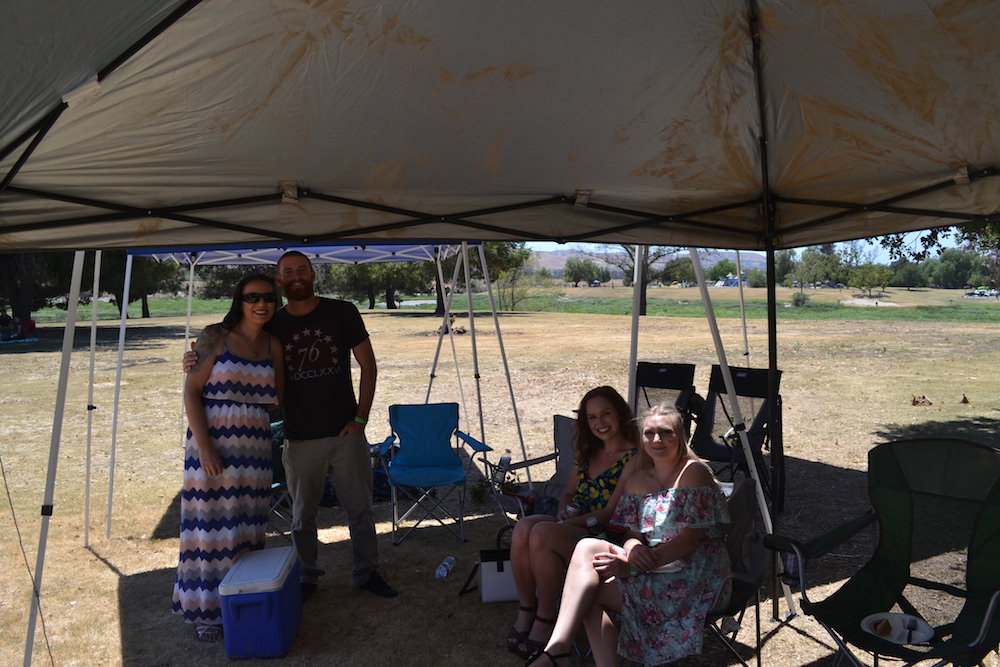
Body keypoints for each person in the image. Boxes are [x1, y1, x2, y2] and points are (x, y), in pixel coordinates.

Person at [184, 251, 397, 602]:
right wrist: (196, 356)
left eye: (302, 270)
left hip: (346, 432)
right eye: (288, 273)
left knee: (360, 509)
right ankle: (308, 578)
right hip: (298, 436)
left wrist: (361, 419)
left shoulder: (342, 312)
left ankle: (367, 572)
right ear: (280, 280)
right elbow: (237, 346)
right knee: (302, 516)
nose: (296, 276)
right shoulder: (272, 324)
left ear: (313, 274)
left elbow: (368, 367)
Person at [527, 404, 732, 667]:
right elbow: (632, 534)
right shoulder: (638, 481)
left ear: (679, 436)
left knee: (588, 592)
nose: (657, 440)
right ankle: (559, 649)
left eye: (665, 433)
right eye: (649, 433)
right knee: (588, 550)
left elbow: (688, 541)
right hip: (657, 565)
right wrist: (634, 549)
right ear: (641, 438)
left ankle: (557, 654)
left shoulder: (692, 473)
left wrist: (632, 567)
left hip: (695, 574)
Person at [171, 273, 285, 642]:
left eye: (268, 297)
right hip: (213, 440)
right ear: (240, 300)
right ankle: (207, 613)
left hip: (254, 445)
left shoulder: (273, 344)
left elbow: (278, 398)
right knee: (210, 530)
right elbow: (191, 393)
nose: (261, 304)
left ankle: (245, 600)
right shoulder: (213, 335)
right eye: (253, 297)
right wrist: (205, 446)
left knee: (248, 527)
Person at [507, 386, 639, 658]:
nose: (599, 423)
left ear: (620, 414)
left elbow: (610, 513)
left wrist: (573, 521)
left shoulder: (633, 457)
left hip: (604, 535)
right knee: (523, 529)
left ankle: (546, 619)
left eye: (606, 414)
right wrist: (565, 511)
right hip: (576, 522)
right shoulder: (589, 451)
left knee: (542, 533)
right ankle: (526, 608)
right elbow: (568, 492)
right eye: (592, 418)